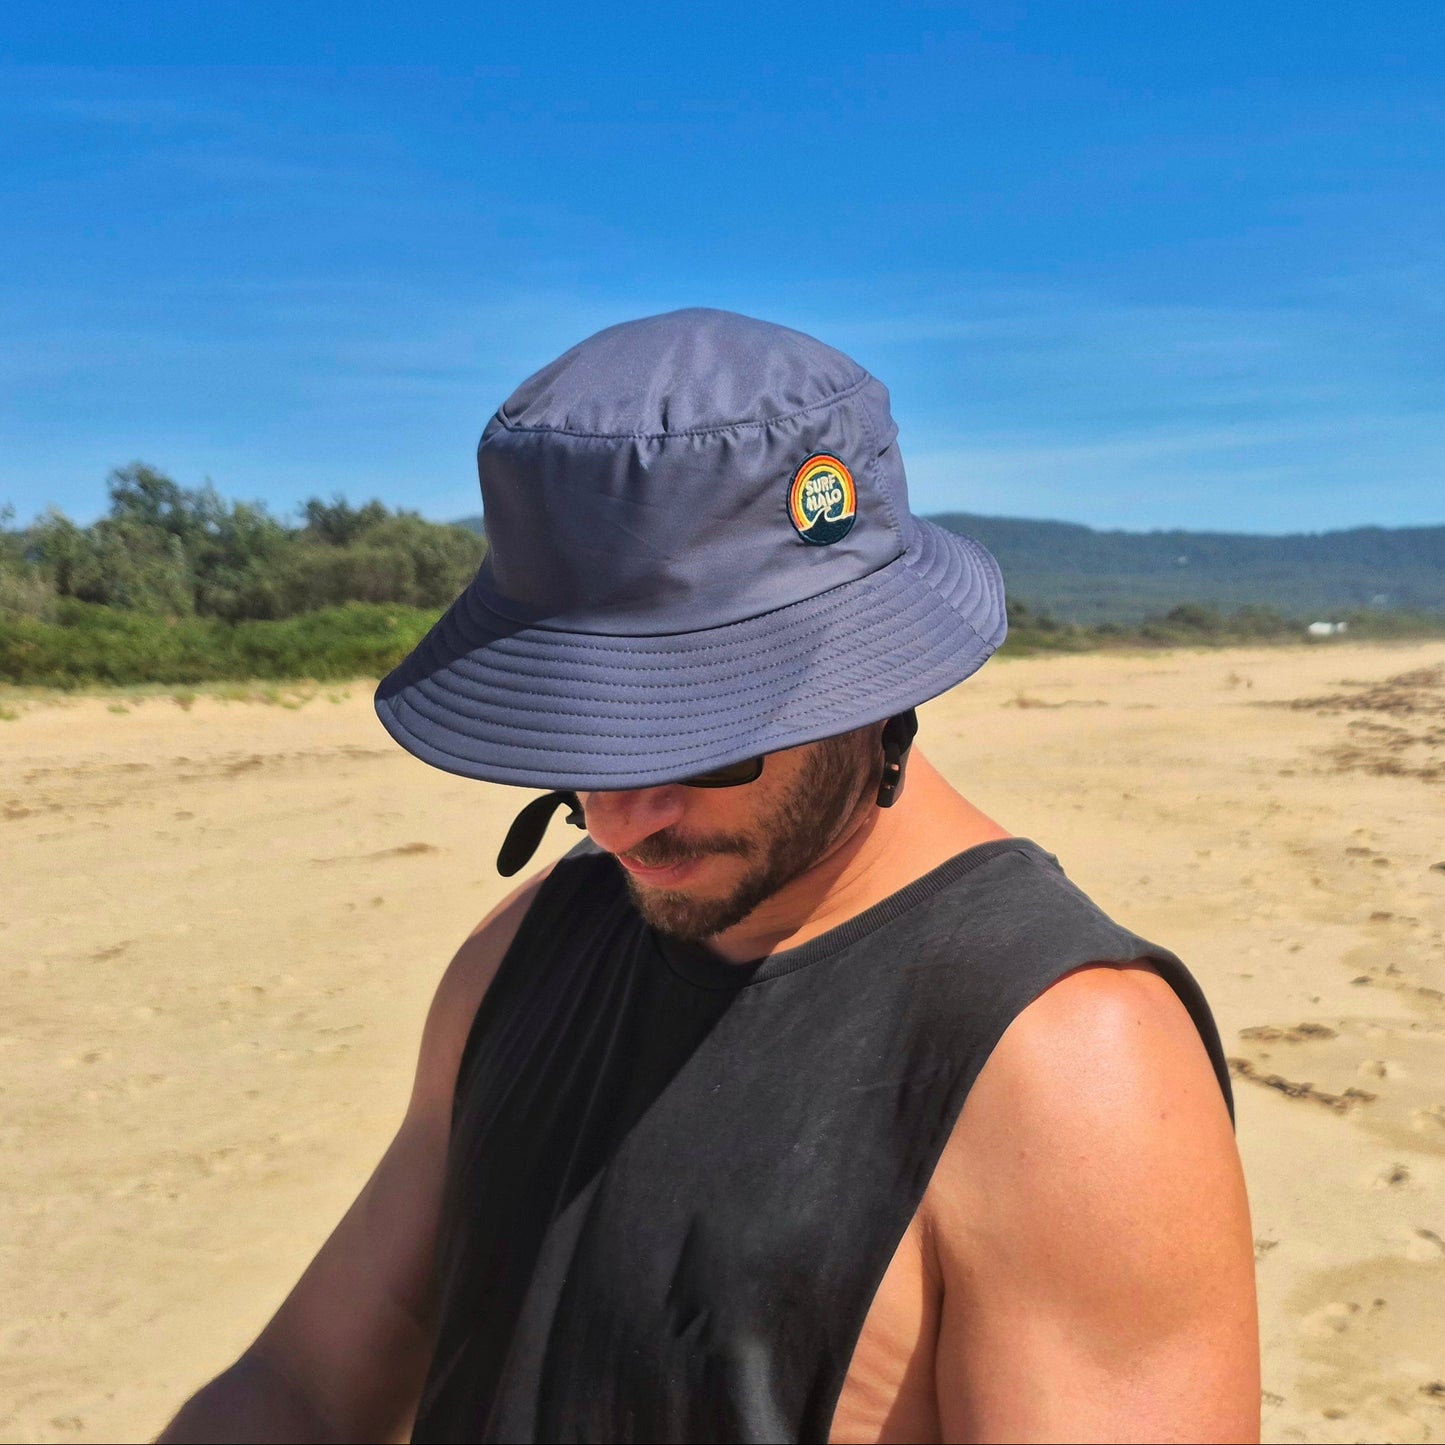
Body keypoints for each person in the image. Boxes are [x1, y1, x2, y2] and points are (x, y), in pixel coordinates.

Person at [159, 309, 1259, 1444]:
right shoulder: (529, 942)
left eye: (697, 732)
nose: (616, 816)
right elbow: (304, 1382)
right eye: (579, 735)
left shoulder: (1066, 1067)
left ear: (869, 677)